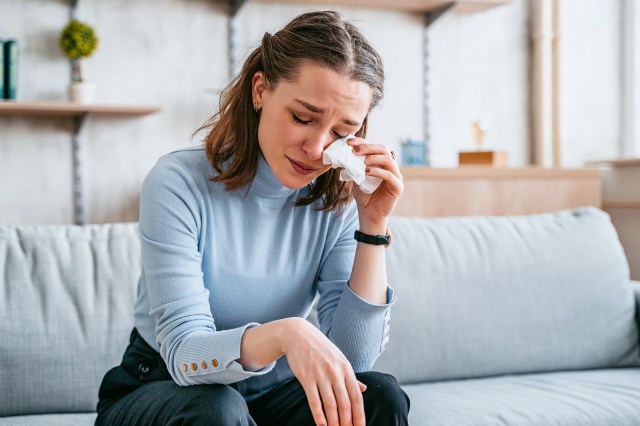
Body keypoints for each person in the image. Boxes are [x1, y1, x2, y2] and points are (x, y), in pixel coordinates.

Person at [96, 10, 409, 426]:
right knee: (219, 409)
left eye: (340, 132)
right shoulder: (177, 183)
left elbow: (352, 361)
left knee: (380, 395)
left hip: (270, 395)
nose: (317, 148)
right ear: (260, 90)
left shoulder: (334, 203)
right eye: (302, 117)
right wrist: (287, 333)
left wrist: (372, 227)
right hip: (168, 390)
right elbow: (184, 354)